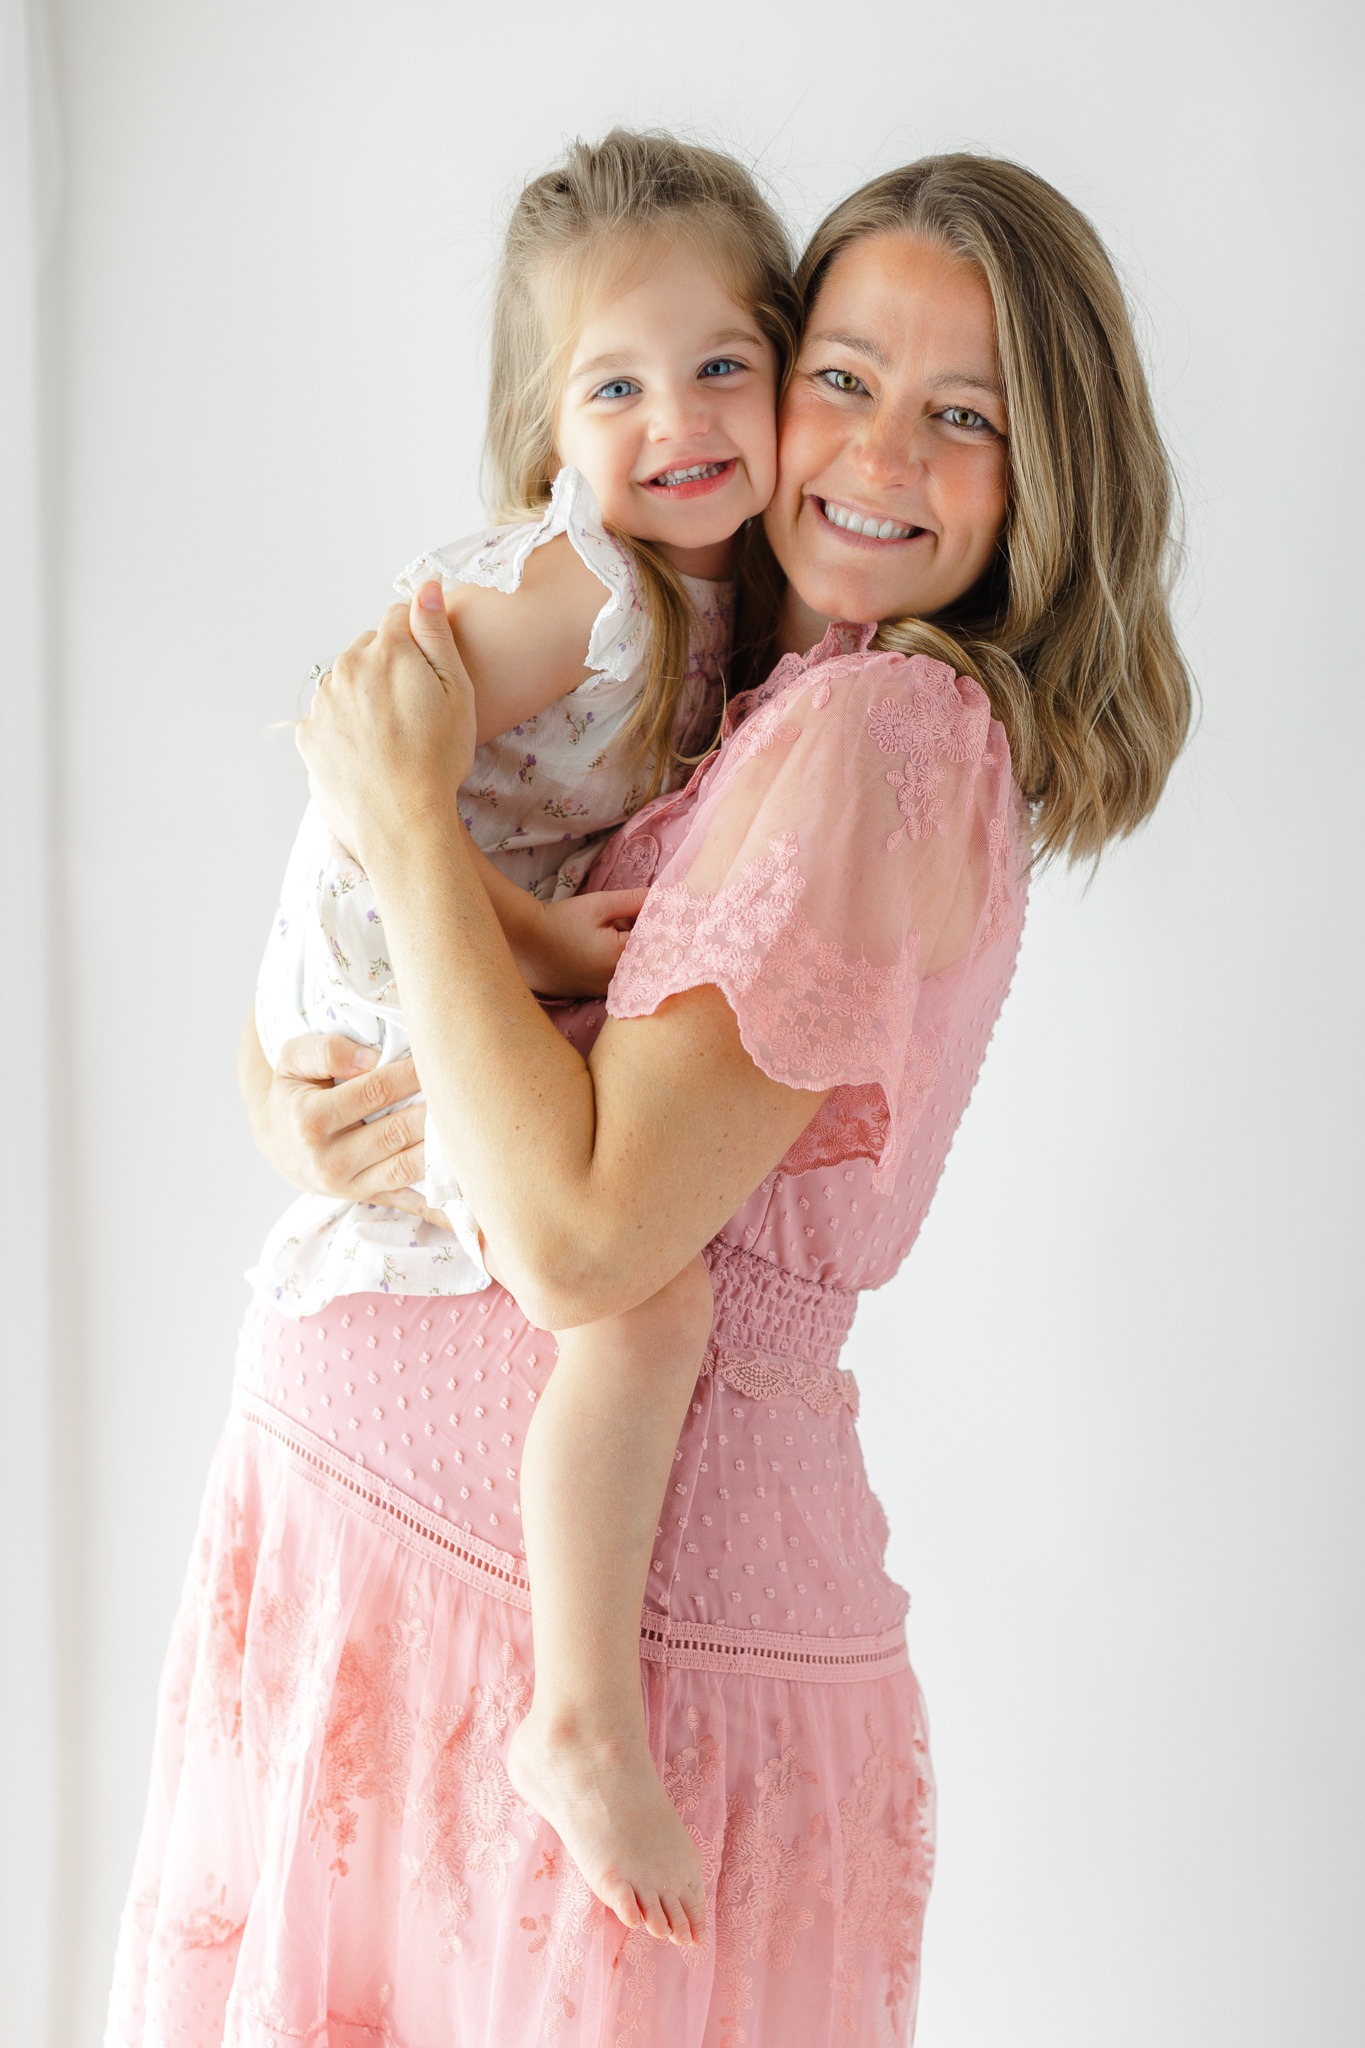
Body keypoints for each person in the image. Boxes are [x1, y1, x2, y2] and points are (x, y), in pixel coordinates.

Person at [107, 153, 1191, 2048]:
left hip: (560, 1667)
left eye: (966, 416)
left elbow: (584, 1234)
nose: (875, 451)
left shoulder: (880, 733)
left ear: (1053, 480)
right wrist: (295, 1099)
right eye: (841, 378)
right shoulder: (753, 697)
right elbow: (391, 921)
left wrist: (398, 836)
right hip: (393, 1593)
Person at [250, 130, 799, 1944]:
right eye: (617, 384)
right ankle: (577, 1718)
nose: (680, 417)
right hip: (374, 948)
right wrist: (542, 932)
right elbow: (361, 781)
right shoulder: (589, 592)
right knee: (643, 1299)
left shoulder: (722, 608)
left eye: (723, 363)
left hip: (434, 935)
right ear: (548, 425)